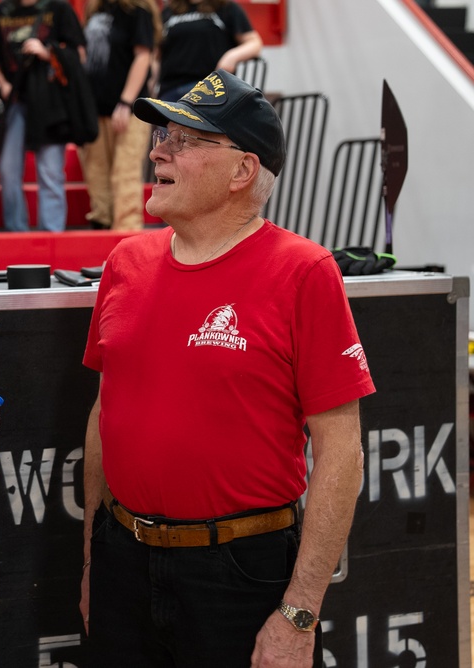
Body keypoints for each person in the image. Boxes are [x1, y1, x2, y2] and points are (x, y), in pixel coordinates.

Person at [80, 70, 375, 667]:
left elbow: (341, 452)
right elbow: (104, 413)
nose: (158, 149)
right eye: (163, 134)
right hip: (122, 559)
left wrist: (299, 613)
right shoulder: (125, 261)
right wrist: (93, 560)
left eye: (186, 140)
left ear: (243, 171)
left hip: (240, 572)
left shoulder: (305, 271)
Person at [0, 0, 88, 232]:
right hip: (15, 101)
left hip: (51, 104)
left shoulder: (58, 8)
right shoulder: (4, 10)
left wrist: (47, 52)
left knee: (50, 172)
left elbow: (79, 54)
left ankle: (52, 234)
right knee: (8, 170)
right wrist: (3, 85)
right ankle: (16, 231)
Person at [79, 0, 160, 231]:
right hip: (95, 108)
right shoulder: (96, 9)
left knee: (125, 175)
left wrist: (126, 102)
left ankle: (127, 233)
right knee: (96, 173)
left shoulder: (137, 11)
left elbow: (143, 57)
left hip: (128, 109)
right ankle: (101, 227)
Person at [156, 0, 262, 103]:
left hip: (211, 88)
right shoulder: (169, 11)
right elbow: (156, 56)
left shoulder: (226, 7)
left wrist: (231, 57)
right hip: (171, 89)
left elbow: (254, 43)